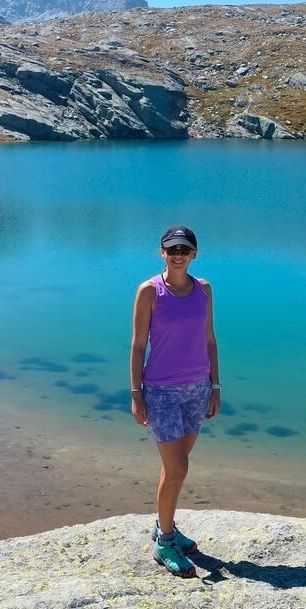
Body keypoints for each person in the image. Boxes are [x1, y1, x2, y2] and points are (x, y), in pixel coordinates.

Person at [130, 225, 221, 578]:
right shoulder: (150, 291)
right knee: (179, 468)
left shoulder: (204, 290)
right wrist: (136, 394)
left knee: (174, 469)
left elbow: (210, 340)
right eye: (172, 249)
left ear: (194, 253)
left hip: (197, 389)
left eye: (184, 248)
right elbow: (138, 346)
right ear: (161, 252)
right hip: (161, 392)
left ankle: (162, 525)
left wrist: (215, 385)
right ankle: (164, 541)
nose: (178, 254)